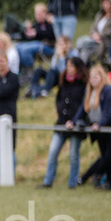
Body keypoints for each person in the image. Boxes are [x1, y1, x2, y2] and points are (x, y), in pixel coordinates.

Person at [71, 64, 111, 189]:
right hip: (101, 129)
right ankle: (110, 183)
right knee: (105, 155)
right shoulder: (90, 92)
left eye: (96, 77)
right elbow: (83, 109)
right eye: (91, 77)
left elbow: (108, 112)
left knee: (109, 156)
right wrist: (73, 121)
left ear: (102, 77)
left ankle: (97, 175)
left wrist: (100, 124)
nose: (93, 80)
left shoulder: (109, 91)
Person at [40, 57, 88, 189]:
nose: (69, 69)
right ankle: (48, 181)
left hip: (76, 124)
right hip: (61, 123)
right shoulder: (63, 81)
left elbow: (84, 105)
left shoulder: (83, 84)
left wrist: (73, 120)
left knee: (73, 155)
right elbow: (59, 100)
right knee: (53, 152)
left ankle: (72, 184)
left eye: (72, 66)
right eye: (68, 66)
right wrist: (62, 114)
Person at [0, 52, 20, 168]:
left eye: (3, 61)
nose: (1, 63)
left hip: (9, 115)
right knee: (0, 148)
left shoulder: (13, 78)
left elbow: (2, 92)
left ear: (7, 62)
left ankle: (11, 174)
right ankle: (2, 175)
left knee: (10, 147)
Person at [76, 0, 111, 66]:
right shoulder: (100, 14)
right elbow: (93, 27)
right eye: (104, 3)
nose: (105, 6)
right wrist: (93, 34)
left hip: (107, 41)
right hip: (94, 38)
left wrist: (100, 35)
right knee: (80, 43)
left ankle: (81, 67)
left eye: (108, 3)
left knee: (85, 50)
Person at [15, 3, 56, 69]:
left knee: (25, 50)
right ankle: (21, 70)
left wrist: (37, 33)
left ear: (46, 14)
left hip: (48, 46)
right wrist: (27, 32)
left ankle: (29, 71)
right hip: (36, 45)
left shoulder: (50, 24)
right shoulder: (36, 25)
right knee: (16, 47)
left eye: (39, 14)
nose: (37, 16)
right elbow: (28, 40)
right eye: (36, 14)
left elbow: (51, 36)